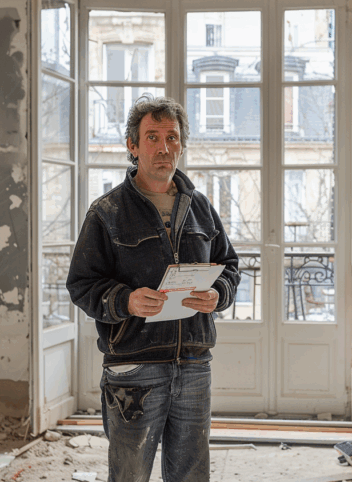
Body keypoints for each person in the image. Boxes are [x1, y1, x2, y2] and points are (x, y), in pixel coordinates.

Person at [66, 95, 240, 482]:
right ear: (132, 145)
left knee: (191, 475)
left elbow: (229, 265)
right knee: (129, 476)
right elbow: (81, 284)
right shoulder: (106, 212)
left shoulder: (200, 207)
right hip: (133, 370)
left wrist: (219, 294)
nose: (164, 147)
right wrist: (124, 300)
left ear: (181, 143)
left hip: (194, 366)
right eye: (152, 137)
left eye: (173, 137)